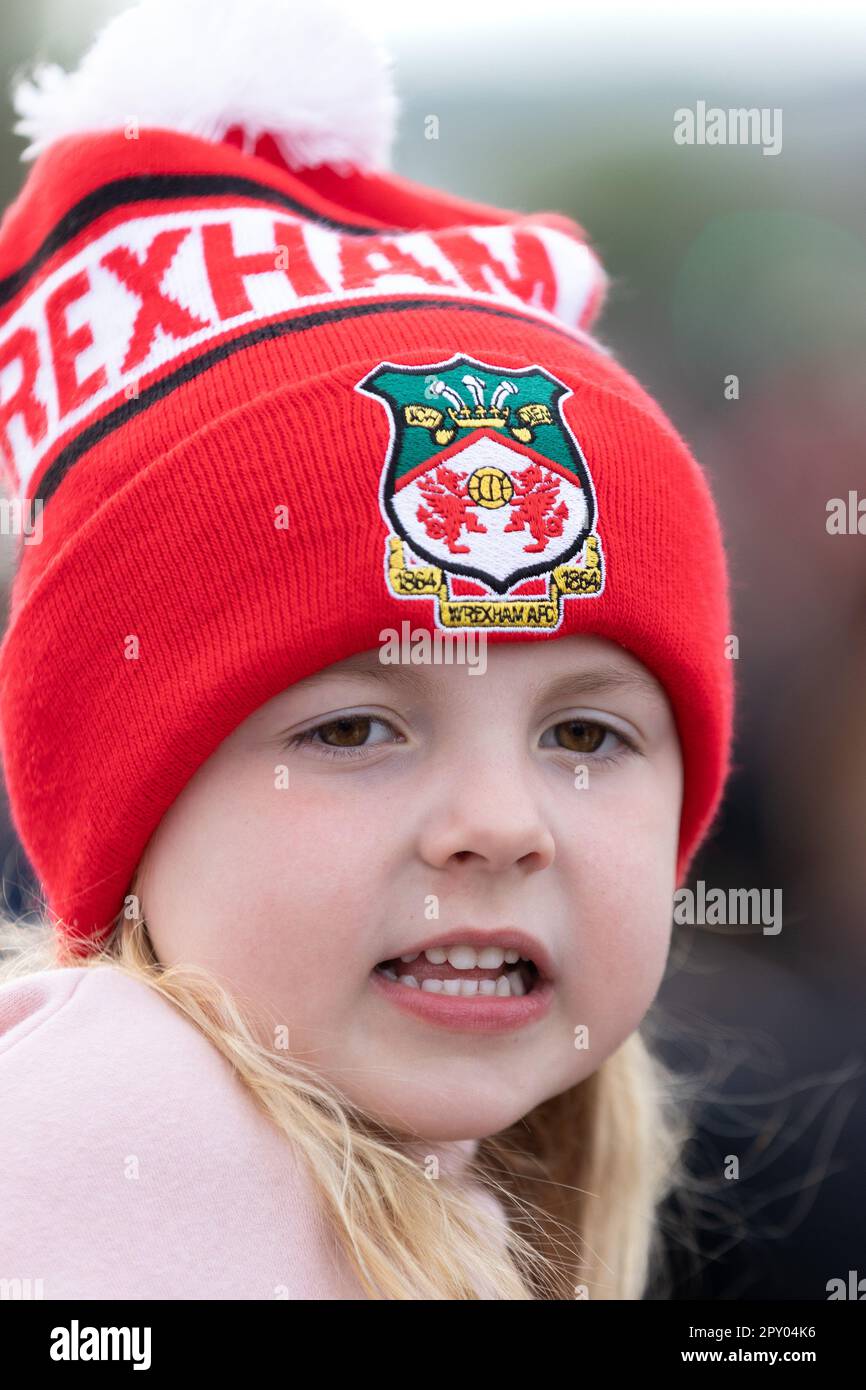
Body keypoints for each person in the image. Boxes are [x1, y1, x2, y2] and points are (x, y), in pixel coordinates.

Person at [0, 0, 734, 1300]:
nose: (500, 823)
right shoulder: (123, 1129)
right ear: (128, 809)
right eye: (351, 726)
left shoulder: (427, 1189)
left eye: (583, 733)